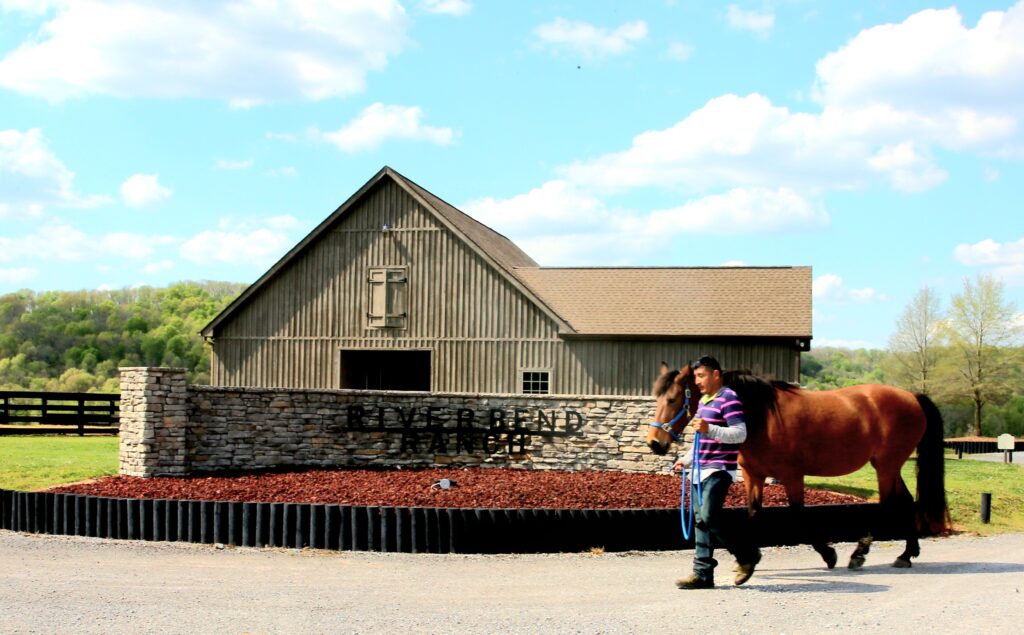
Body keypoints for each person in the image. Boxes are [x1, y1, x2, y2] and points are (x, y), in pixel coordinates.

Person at [674, 355, 761, 589]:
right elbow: (701, 439)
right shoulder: (704, 401)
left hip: (719, 469)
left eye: (701, 376)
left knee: (710, 516)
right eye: (695, 377)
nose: (698, 381)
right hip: (699, 469)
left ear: (716, 375)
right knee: (701, 522)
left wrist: (710, 428)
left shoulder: (729, 399)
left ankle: (747, 555)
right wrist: (686, 460)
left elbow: (739, 434)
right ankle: (702, 575)